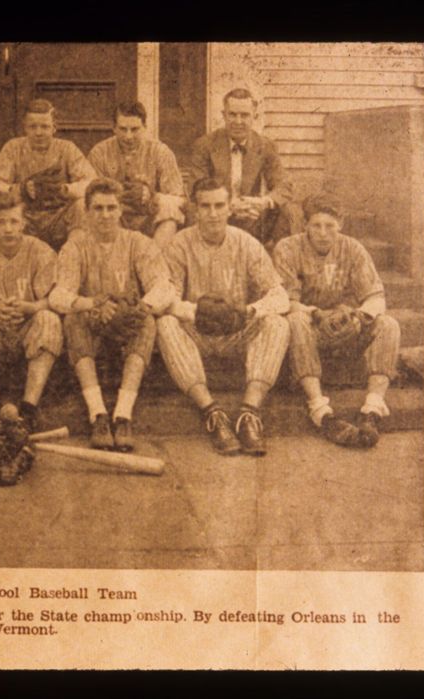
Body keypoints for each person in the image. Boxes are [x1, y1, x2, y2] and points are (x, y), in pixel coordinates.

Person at [156, 177, 290, 456]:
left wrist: (248, 311)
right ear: (194, 209)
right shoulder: (179, 244)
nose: (213, 213)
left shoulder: (247, 243)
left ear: (230, 208)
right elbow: (166, 296)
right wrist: (194, 311)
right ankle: (211, 412)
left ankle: (249, 413)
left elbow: (280, 296)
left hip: (236, 331)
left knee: (276, 322)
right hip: (198, 332)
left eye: (219, 205)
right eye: (205, 206)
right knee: (166, 323)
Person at [49, 179, 175, 451]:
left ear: (121, 211)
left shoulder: (138, 243)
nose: (105, 215)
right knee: (73, 318)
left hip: (126, 323)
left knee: (148, 321)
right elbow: (58, 296)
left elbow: (164, 286)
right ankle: (98, 415)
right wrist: (91, 303)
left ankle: (123, 414)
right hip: (93, 323)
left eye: (111, 208)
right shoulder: (75, 246)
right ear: (87, 211)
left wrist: (140, 308)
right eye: (98, 208)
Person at [273, 193, 401, 448]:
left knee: (388, 324)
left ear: (340, 224)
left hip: (345, 326)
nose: (322, 233)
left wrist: (358, 315)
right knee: (296, 320)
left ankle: (372, 409)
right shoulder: (287, 248)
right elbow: (283, 301)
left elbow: (375, 296)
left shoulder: (353, 248)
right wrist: (316, 314)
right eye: (316, 225)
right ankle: (319, 408)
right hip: (310, 327)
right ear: (305, 225)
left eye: (329, 226)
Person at [0, 191, 63, 433]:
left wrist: (32, 307)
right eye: (1, 222)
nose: (8, 229)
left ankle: (28, 408)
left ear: (24, 223)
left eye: (14, 221)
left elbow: (53, 299)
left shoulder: (41, 251)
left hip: (27, 328)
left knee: (49, 319)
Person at [183, 88, 301, 251]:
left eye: (244, 115)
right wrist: (229, 206)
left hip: (252, 218)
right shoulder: (205, 145)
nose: (238, 121)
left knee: (287, 210)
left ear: (254, 117)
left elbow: (284, 185)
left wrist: (263, 202)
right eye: (232, 114)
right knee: (191, 209)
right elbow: (196, 189)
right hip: (217, 213)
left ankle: (283, 266)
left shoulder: (265, 146)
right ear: (224, 115)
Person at [0, 99, 96, 250]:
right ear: (25, 128)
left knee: (82, 205)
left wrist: (65, 189)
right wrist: (20, 190)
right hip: (25, 217)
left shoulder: (67, 149)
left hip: (58, 218)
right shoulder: (13, 148)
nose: (38, 132)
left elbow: (92, 184)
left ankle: (74, 254)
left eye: (44, 127)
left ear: (54, 128)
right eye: (33, 127)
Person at [87, 101, 186, 246]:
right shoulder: (99, 153)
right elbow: (90, 196)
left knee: (170, 207)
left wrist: (151, 195)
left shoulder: (160, 152)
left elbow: (179, 199)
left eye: (134, 129)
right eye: (123, 129)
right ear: (113, 128)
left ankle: (153, 260)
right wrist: (118, 195)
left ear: (145, 127)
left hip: (149, 220)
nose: (128, 136)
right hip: (113, 217)